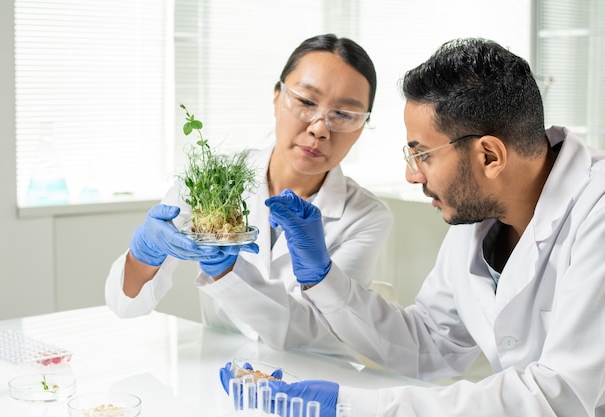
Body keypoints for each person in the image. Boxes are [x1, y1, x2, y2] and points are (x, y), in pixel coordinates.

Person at [220, 38, 605, 417]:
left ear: (489, 155)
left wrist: (351, 407)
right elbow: (431, 343)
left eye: (422, 155)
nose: (410, 174)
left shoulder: (597, 210)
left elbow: (560, 396)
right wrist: (323, 279)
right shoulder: (478, 217)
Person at [105, 34, 393, 358]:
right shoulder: (212, 181)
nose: (320, 128)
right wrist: (145, 253)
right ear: (276, 97)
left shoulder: (367, 216)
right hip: (217, 374)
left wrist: (228, 275)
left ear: (362, 125)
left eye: (344, 114)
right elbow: (124, 305)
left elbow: (322, 334)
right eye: (307, 102)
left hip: (311, 386)